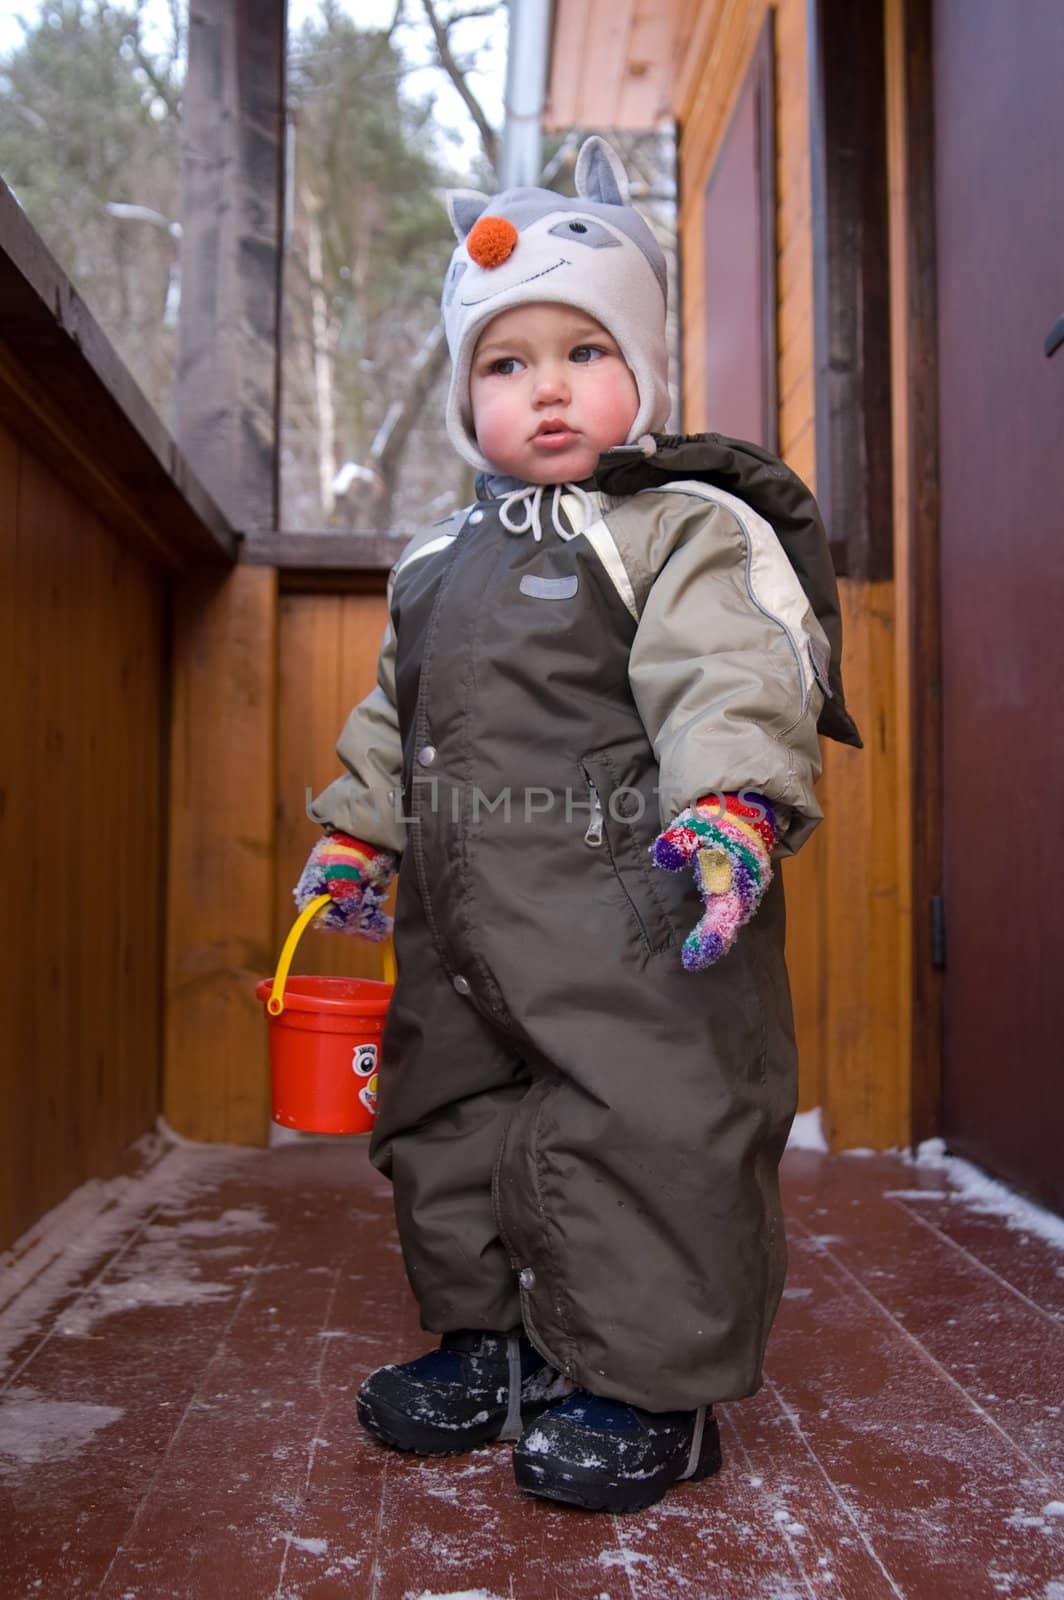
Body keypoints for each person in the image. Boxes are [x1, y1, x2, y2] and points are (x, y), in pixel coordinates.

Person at [295, 137, 861, 1515]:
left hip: (634, 906)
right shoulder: (437, 562)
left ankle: (647, 1386)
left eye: (584, 349)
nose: (546, 385)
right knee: (447, 1114)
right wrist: (358, 833)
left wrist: (731, 800)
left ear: (643, 372)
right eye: (505, 362)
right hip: (462, 917)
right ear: (464, 395)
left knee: (647, 1121)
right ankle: (489, 1345)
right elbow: (393, 712)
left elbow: (729, 669)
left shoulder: (675, 528)